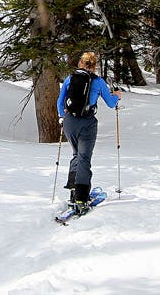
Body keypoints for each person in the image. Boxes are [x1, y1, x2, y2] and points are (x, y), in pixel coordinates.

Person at [57, 51, 121, 213]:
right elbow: (111, 103)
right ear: (94, 65)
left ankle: (73, 192)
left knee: (76, 155)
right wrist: (117, 96)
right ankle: (81, 197)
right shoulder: (98, 82)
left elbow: (60, 100)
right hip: (87, 122)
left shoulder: (70, 78)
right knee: (84, 157)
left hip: (70, 120)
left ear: (81, 63)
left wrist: (61, 116)